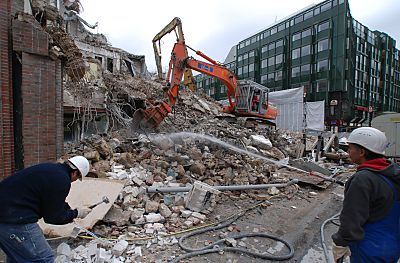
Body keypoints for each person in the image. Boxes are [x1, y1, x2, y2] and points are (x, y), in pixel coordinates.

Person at [0, 156, 92, 262]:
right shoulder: (62, 179)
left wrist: (69, 210)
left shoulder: (50, 170)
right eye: (77, 178)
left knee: (18, 258)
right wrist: (76, 213)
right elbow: (53, 217)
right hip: (16, 221)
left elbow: (50, 201)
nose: (74, 181)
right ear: (75, 172)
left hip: (6, 216)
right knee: (44, 258)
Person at [332, 127, 400, 262]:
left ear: (362, 152)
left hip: (368, 249)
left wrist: (341, 243)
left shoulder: (362, 179)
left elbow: (352, 218)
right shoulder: (392, 173)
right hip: (392, 245)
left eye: (350, 148)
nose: (348, 152)